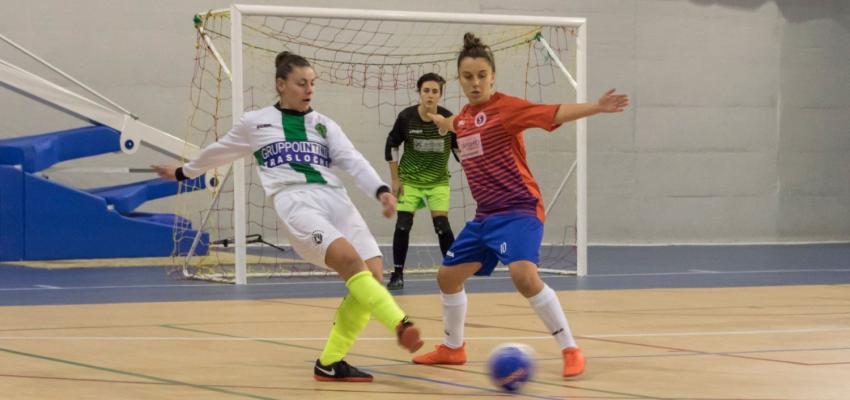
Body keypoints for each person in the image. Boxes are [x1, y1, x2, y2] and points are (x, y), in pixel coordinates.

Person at [152, 51, 423, 383]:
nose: (309, 89)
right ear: (281, 85)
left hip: (336, 200)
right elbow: (219, 151)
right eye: (301, 83)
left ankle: (330, 362)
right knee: (351, 263)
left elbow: (353, 161)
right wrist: (183, 172)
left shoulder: (323, 124)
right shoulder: (256, 122)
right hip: (296, 203)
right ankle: (401, 323)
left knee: (374, 276)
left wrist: (380, 190)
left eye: (312, 83)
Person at [411, 33, 629, 378]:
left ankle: (570, 348)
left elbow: (553, 112)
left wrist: (596, 107)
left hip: (519, 210)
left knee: (524, 276)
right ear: (459, 79)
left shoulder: (506, 108)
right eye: (468, 76)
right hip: (484, 217)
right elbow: (457, 124)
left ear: (493, 76)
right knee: (447, 277)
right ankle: (453, 349)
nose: (476, 82)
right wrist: (441, 121)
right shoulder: (465, 117)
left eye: (482, 75)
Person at [384, 72, 458, 290]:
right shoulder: (407, 117)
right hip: (410, 180)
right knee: (403, 224)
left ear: (440, 95)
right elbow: (391, 146)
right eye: (426, 90)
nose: (430, 95)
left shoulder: (447, 119)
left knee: (442, 227)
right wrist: (395, 179)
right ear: (419, 93)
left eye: (435, 91)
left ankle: (453, 271)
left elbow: (458, 148)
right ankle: (397, 274)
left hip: (438, 182)